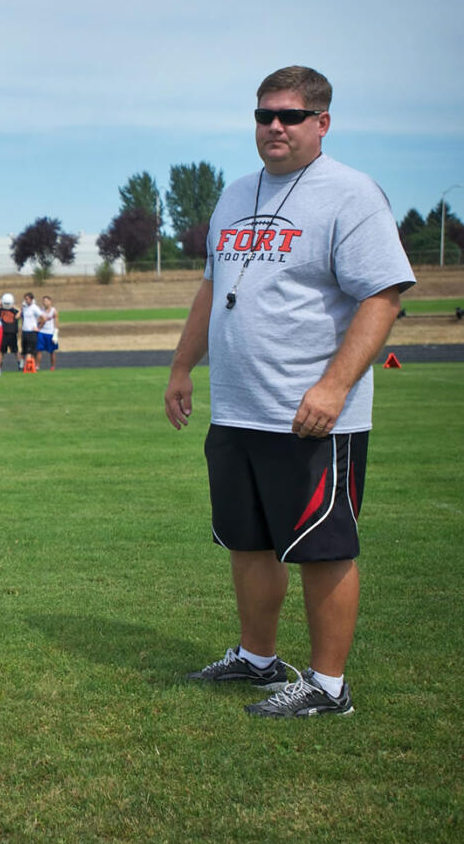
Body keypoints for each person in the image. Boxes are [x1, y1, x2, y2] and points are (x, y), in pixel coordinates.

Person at [164, 66, 414, 718]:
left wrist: (334, 386)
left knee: (323, 547)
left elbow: (381, 296)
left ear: (321, 123)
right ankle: (257, 657)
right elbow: (213, 287)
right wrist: (181, 367)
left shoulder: (350, 194)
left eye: (291, 115)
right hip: (238, 409)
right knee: (247, 542)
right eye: (264, 114)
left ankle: (329, 686)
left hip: (313, 416)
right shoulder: (234, 192)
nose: (275, 125)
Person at [0, 293, 21, 370]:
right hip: (2, 333)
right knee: (1, 351)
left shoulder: (14, 311)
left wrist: (14, 306)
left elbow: (20, 313)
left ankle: (20, 365)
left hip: (12, 333)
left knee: (15, 351)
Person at [36, 295, 59, 370]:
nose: (44, 303)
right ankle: (37, 366)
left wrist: (55, 335)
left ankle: (52, 366)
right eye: (43, 301)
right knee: (39, 350)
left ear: (50, 301)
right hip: (41, 332)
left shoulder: (54, 311)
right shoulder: (40, 310)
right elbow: (38, 320)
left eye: (46, 301)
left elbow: (56, 323)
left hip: (50, 333)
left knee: (52, 351)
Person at [19, 292, 40, 369]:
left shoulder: (35, 308)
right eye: (25, 299)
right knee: (24, 350)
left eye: (27, 299)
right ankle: (29, 366)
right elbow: (18, 317)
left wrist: (39, 328)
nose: (25, 300)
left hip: (32, 332)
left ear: (31, 299)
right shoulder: (25, 308)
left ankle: (28, 367)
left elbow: (43, 317)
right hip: (25, 331)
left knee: (30, 351)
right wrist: (21, 308)